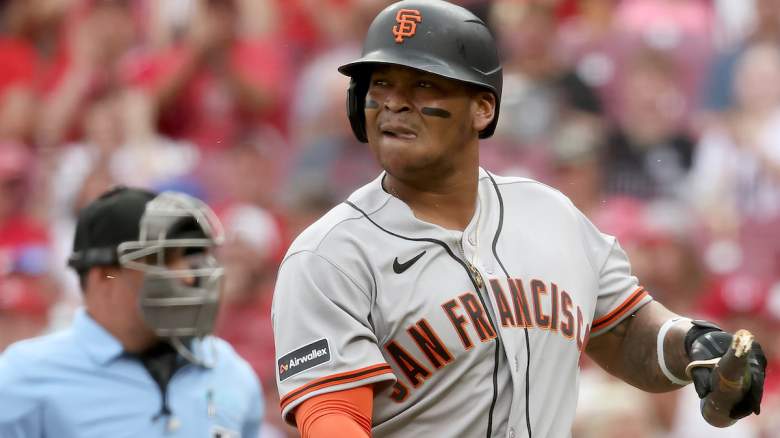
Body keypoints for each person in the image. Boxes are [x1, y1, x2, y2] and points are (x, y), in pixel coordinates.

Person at [271, 1, 768, 437]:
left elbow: (625, 331)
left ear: (482, 108)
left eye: (423, 84)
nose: (396, 102)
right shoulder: (329, 257)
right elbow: (333, 418)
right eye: (381, 84)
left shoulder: (550, 215)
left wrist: (695, 344)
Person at [0, 186, 263, 437]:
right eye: (165, 259)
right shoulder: (25, 378)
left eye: (191, 258)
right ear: (104, 277)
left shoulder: (230, 370)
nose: (188, 276)